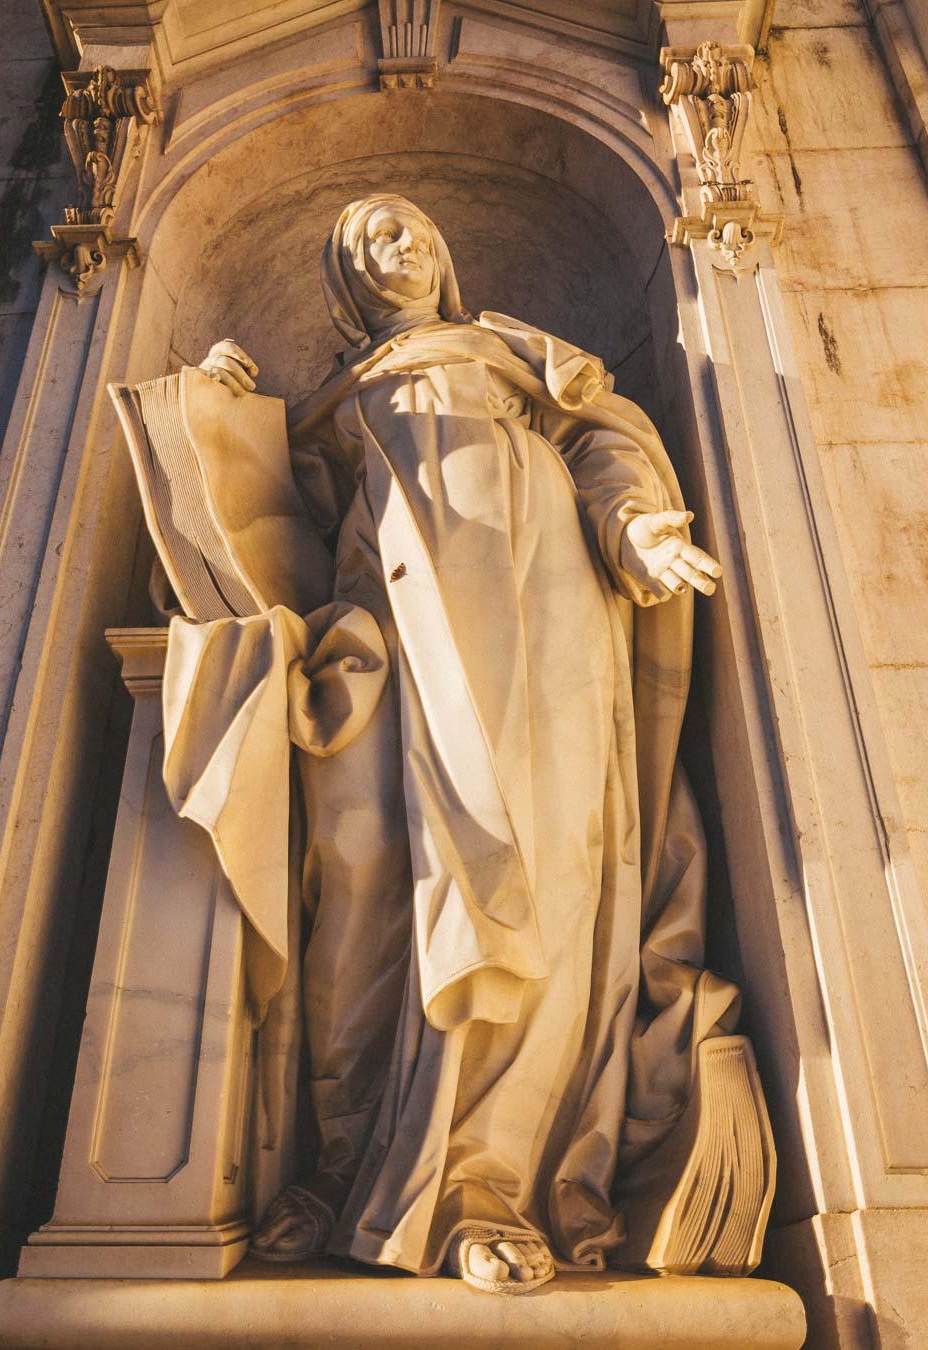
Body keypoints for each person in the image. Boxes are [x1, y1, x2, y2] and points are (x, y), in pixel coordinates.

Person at [195, 193, 736, 1293]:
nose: (400, 243)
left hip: (545, 631)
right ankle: (345, 1168)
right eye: (368, 238)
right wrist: (220, 413)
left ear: (444, 255)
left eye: (411, 229)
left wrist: (636, 525)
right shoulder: (337, 402)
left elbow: (598, 441)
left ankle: (483, 1187)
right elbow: (267, 526)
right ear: (347, 287)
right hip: (385, 649)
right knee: (359, 880)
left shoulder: (512, 353)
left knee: (534, 869)